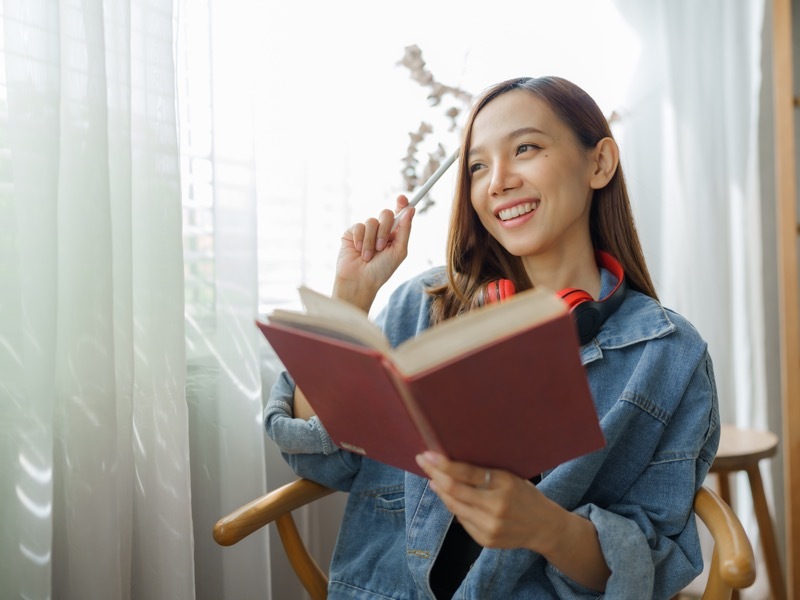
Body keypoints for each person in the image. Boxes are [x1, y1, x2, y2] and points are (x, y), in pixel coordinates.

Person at [265, 76, 720, 599]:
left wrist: (544, 526)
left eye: (525, 148)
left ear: (599, 163)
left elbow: (651, 567)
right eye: (478, 166)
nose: (497, 182)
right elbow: (321, 461)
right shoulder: (423, 305)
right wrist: (349, 301)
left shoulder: (668, 355)